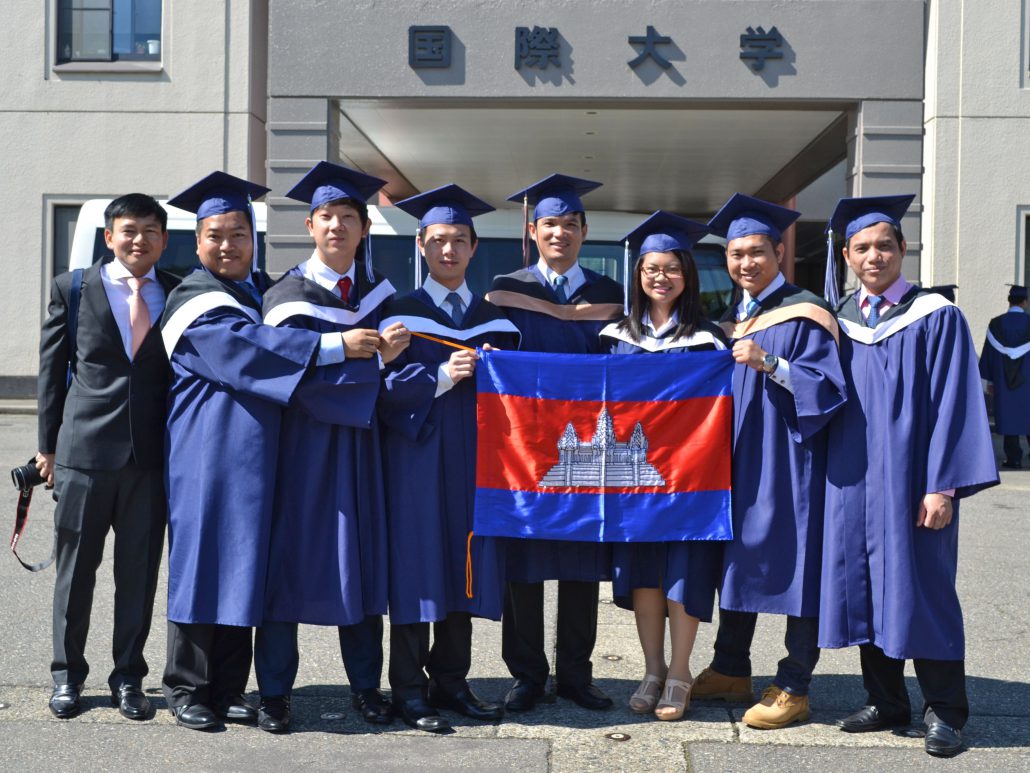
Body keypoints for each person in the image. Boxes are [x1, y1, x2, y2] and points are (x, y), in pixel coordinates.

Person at [160, 171, 349, 731]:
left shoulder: (260, 292)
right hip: (207, 455)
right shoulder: (194, 300)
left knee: (244, 567)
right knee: (203, 566)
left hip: (257, 461)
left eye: (237, 234)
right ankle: (187, 688)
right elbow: (249, 351)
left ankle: (226, 687)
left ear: (254, 237)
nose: (227, 245)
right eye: (215, 235)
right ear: (198, 242)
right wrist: (335, 345)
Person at [821, 195, 998, 758]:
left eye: (884, 246)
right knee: (867, 584)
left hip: (914, 482)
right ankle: (886, 700)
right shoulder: (839, 321)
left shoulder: (936, 316)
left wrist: (943, 486)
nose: (874, 256)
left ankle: (945, 712)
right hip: (854, 481)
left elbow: (954, 403)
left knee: (923, 589)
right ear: (847, 256)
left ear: (902, 249)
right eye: (862, 248)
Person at [254, 161, 410, 733]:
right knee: (287, 567)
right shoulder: (286, 297)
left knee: (362, 566)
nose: (337, 226)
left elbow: (402, 375)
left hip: (364, 450)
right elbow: (286, 377)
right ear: (310, 226)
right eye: (326, 216)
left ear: (364, 228)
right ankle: (274, 693)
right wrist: (366, 361)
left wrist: (389, 365)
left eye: (348, 216)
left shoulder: (379, 294)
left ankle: (367, 688)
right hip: (304, 453)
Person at [689, 194, 847, 730]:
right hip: (737, 461)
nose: (746, 263)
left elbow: (828, 388)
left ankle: (795, 684)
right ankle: (731, 666)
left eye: (757, 252)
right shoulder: (733, 315)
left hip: (791, 461)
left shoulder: (807, 312)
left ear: (779, 252)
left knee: (798, 564)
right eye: (736, 254)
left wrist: (770, 362)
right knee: (739, 558)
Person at [378, 184, 521, 732]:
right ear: (420, 245)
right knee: (418, 566)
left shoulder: (496, 321)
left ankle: (452, 681)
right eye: (438, 240)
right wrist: (440, 376)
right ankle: (408, 689)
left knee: (465, 565)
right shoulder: (399, 315)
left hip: (476, 463)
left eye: (459, 240)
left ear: (474, 247)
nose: (448, 250)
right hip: (417, 461)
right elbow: (381, 390)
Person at [36, 193, 178, 721]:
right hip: (85, 455)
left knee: (138, 576)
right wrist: (47, 447)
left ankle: (129, 678)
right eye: (129, 230)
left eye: (149, 231)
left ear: (163, 239)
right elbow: (52, 371)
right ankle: (67, 676)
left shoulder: (178, 292)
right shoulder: (72, 288)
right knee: (75, 574)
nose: (139, 240)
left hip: (150, 459)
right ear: (109, 236)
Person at [485, 173, 623, 713]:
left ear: (584, 231)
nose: (559, 233)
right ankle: (526, 675)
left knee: (580, 560)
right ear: (533, 231)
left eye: (569, 224)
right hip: (525, 445)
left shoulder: (608, 294)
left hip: (587, 443)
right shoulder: (506, 289)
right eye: (549, 224)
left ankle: (575, 675)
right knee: (523, 560)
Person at [599, 211, 727, 721]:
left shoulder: (708, 339)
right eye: (652, 268)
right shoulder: (615, 336)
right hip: (633, 480)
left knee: (682, 575)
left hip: (689, 482)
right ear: (638, 274)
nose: (661, 277)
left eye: (672, 268)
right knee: (645, 576)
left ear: (687, 275)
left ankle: (679, 672)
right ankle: (651, 671)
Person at [979, 284, 1030, 469]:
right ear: (1025, 302)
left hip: (1003, 381)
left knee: (1010, 415)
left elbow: (989, 355)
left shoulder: (996, 324)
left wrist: (990, 381)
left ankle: (1013, 459)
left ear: (1009, 301)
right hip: (1027, 382)